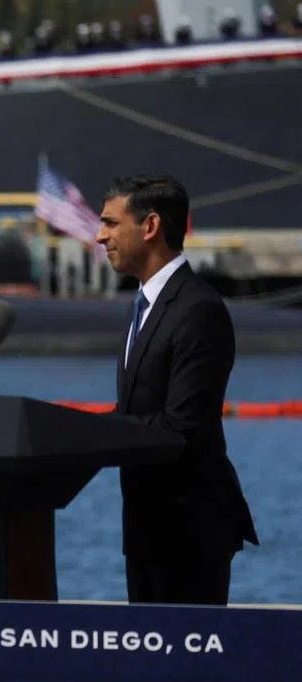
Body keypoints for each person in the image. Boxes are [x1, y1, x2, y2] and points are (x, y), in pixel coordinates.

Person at [96, 174, 258, 605]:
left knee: (185, 671)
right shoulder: (144, 307)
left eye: (111, 223)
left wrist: (93, 436)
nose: (100, 235)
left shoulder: (197, 309)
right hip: (147, 531)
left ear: (149, 227)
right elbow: (137, 407)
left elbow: (182, 426)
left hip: (189, 534)